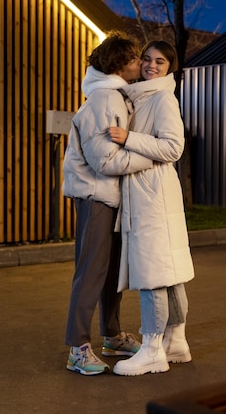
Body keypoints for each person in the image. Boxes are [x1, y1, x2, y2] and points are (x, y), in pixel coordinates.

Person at [62, 31, 154, 376]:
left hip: (110, 196)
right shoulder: (105, 101)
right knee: (91, 271)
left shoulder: (116, 96)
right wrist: (152, 156)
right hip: (96, 195)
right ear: (119, 64)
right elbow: (106, 161)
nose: (141, 65)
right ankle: (77, 347)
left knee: (111, 271)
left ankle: (112, 336)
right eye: (135, 60)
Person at [106, 41, 195, 376]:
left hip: (152, 195)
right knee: (168, 273)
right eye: (147, 59)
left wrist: (128, 139)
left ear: (169, 67)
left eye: (160, 61)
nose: (151, 65)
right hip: (154, 192)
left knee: (153, 273)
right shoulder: (145, 95)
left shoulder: (161, 98)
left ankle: (152, 350)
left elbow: (174, 146)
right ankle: (176, 342)